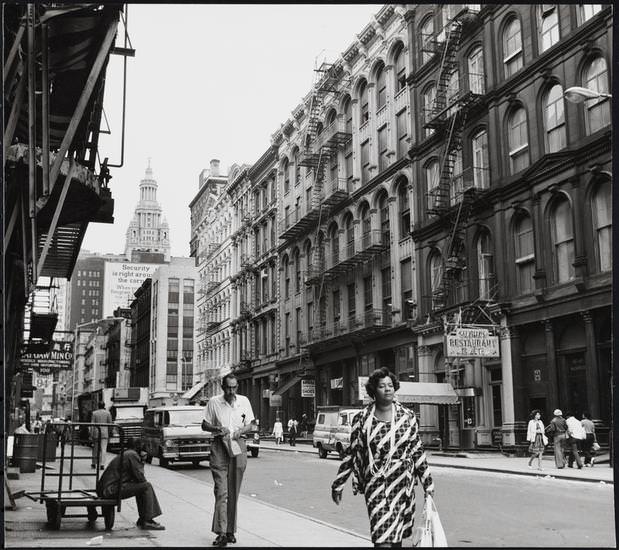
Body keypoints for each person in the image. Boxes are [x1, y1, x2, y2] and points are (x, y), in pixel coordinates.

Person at [331, 367, 434, 547]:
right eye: (382, 386)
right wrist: (338, 484)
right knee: (382, 538)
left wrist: (428, 484)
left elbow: (417, 451)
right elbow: (352, 454)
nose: (387, 389)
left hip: (403, 485)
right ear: (373, 391)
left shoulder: (407, 417)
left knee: (396, 539)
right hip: (376, 483)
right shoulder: (362, 418)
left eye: (390, 385)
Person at [202, 373, 256, 547]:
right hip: (219, 445)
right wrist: (217, 427)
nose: (232, 391)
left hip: (238, 444)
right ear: (222, 387)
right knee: (221, 491)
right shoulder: (214, 402)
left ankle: (231, 530)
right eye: (228, 387)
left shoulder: (244, 401)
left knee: (234, 490)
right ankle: (221, 533)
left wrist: (242, 430)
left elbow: (251, 424)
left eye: (234, 387)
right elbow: (204, 424)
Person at [96, 437, 164, 530]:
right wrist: (143, 460)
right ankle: (147, 520)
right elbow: (141, 478)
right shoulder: (132, 455)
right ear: (138, 446)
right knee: (147, 486)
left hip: (107, 488)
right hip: (110, 489)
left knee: (142, 487)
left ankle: (144, 518)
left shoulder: (127, 453)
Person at [91, 402, 113, 470]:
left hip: (96, 432)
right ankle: (102, 464)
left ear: (98, 406)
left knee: (95, 449)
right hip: (104, 433)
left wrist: (91, 433)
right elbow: (110, 424)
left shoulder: (94, 413)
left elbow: (92, 424)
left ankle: (94, 463)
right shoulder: (108, 413)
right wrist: (109, 432)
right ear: (104, 406)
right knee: (103, 449)